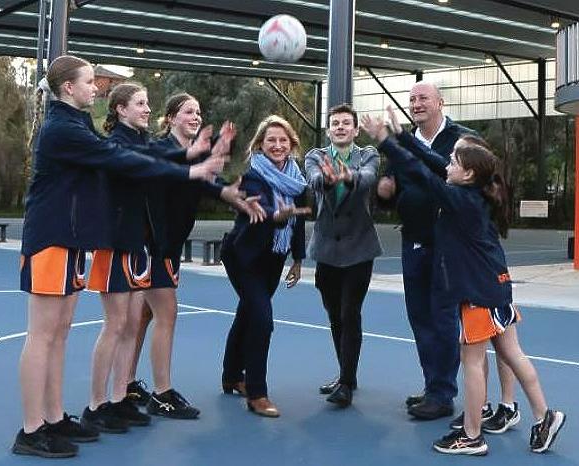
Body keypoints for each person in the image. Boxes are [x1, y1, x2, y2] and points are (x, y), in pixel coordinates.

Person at [13, 55, 223, 458]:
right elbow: (119, 158)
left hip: (70, 238)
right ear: (68, 88)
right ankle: (31, 428)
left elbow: (128, 154)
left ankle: (53, 417)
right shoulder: (61, 129)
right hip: (50, 235)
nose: (96, 88)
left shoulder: (77, 124)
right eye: (90, 82)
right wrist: (187, 170)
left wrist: (184, 159)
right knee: (42, 335)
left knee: (59, 333)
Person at [362, 107, 566, 455]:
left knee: (472, 362)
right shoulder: (474, 190)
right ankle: (544, 415)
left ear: (468, 173)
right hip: (496, 284)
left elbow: (418, 170)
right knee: (512, 353)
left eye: (454, 161)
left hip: (477, 291)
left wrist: (385, 140)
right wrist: (405, 136)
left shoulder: (459, 199)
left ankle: (471, 435)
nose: (448, 164)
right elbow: (431, 162)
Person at [379, 81, 516, 422]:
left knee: (446, 321)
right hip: (414, 240)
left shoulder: (463, 139)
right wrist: (385, 192)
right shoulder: (404, 141)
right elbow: (394, 184)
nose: (416, 103)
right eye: (412, 99)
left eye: (423, 98)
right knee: (420, 318)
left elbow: (471, 178)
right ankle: (434, 386)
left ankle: (445, 394)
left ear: (440, 102)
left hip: (451, 248)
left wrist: (390, 140)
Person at [123, 92, 264, 420]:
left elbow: (201, 182)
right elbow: (178, 171)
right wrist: (207, 161)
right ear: (171, 118)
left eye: (198, 111)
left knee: (144, 315)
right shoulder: (160, 147)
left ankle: (127, 383)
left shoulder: (190, 155)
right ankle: (162, 394)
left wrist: (230, 192)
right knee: (167, 314)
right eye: (189, 111)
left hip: (168, 244)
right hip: (154, 244)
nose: (196, 116)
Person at [221, 115, 310, 417]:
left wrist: (297, 259)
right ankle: (257, 393)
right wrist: (276, 217)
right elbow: (260, 210)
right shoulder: (252, 177)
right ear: (260, 144)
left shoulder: (297, 179)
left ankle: (231, 376)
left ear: (292, 145)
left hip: (273, 258)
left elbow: (298, 220)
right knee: (262, 320)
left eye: (283, 140)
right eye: (271, 140)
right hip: (243, 257)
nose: (277, 145)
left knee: (247, 314)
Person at [305, 104, 381, 408]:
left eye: (346, 123)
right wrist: (327, 178)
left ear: (355, 129)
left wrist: (348, 176)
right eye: (335, 123)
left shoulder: (369, 155)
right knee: (334, 314)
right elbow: (313, 179)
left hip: (359, 249)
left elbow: (369, 178)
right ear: (328, 130)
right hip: (326, 251)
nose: (340, 127)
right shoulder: (315, 156)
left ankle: (346, 383)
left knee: (350, 313)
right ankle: (346, 373)